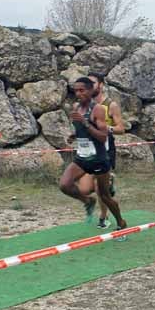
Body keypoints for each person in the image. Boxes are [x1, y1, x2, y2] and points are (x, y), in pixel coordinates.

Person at [58, 77, 128, 235]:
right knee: (64, 185)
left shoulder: (98, 110)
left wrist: (85, 123)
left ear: (91, 91)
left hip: (98, 159)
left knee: (105, 196)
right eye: (76, 90)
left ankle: (120, 222)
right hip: (82, 157)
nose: (78, 93)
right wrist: (74, 135)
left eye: (82, 90)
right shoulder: (76, 107)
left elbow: (103, 137)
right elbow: (82, 130)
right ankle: (88, 201)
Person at [82, 73, 126, 229]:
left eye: (92, 83)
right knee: (87, 187)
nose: (89, 86)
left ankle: (104, 217)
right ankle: (108, 184)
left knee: (98, 186)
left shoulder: (110, 105)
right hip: (89, 147)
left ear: (100, 85)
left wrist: (106, 128)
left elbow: (122, 128)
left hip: (106, 147)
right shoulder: (85, 104)